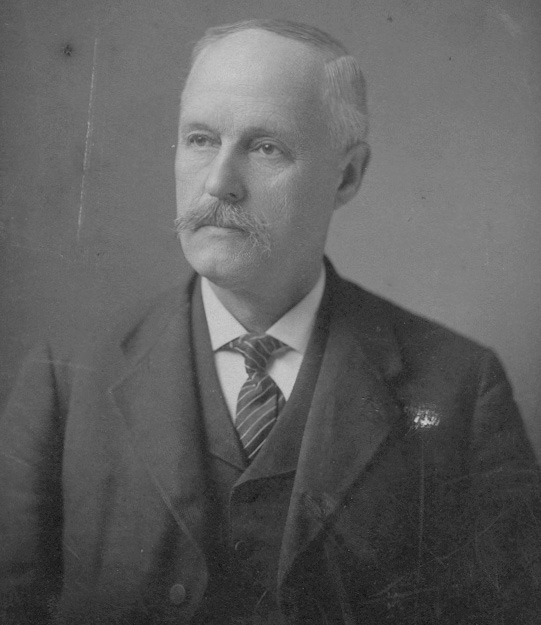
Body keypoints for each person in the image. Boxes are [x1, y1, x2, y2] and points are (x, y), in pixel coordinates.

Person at [1, 18, 540, 625]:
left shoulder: (461, 389)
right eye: (201, 139)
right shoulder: (63, 379)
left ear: (348, 175)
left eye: (265, 148)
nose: (218, 183)